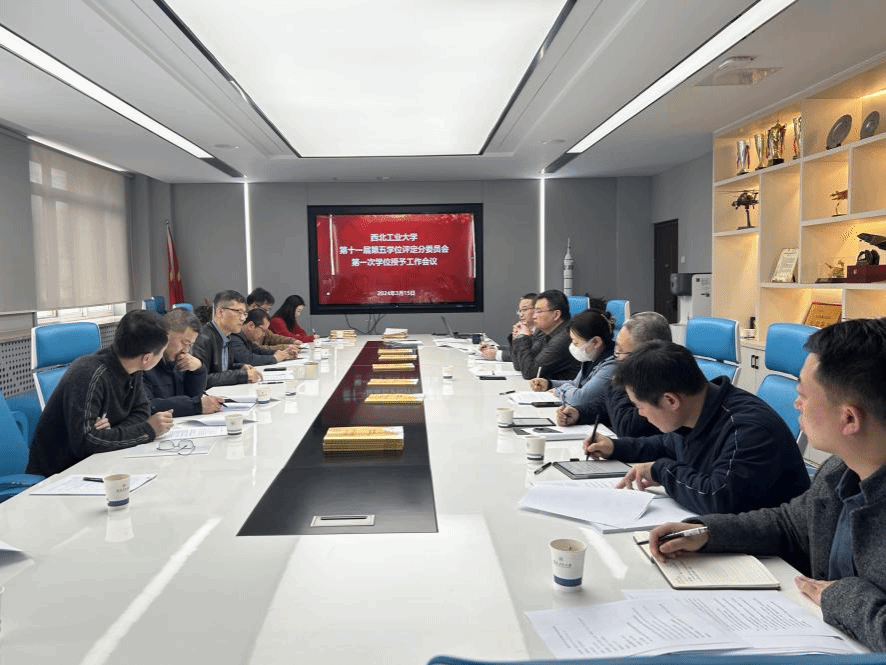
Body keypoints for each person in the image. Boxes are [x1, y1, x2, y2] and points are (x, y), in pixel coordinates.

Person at [648, 319, 886, 651]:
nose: (796, 404)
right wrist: (705, 532)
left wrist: (843, 597)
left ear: (849, 418)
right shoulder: (840, 471)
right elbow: (789, 524)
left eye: (803, 395)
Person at [584, 339, 810, 515]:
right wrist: (615, 447)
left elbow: (718, 497)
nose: (640, 413)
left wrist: (661, 470)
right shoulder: (699, 407)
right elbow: (666, 444)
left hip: (771, 556)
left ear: (670, 401)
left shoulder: (747, 429)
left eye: (639, 407)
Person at [26, 310, 174, 476]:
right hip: (60, 473)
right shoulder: (88, 373)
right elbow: (85, 443)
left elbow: (141, 411)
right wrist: (148, 430)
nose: (162, 356)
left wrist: (109, 435)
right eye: (162, 352)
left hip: (98, 463)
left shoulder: (134, 369)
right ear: (146, 358)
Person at [557, 311, 672, 436]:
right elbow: (606, 404)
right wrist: (579, 413)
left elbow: (627, 428)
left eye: (622, 352)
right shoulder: (638, 373)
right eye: (617, 350)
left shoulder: (662, 381)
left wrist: (616, 380)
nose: (617, 357)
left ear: (648, 353)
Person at [528, 310, 617, 416]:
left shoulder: (612, 365)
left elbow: (581, 398)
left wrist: (559, 391)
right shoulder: (591, 357)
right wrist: (549, 384)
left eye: (576, 343)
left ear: (595, 342)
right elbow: (576, 384)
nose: (573, 347)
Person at [143, 308, 224, 417]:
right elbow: (148, 406)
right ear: (166, 335)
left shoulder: (178, 360)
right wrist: (196, 406)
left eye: (190, 345)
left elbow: (193, 397)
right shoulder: (144, 362)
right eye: (184, 343)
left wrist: (197, 371)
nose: (186, 350)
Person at [191, 290, 262, 387]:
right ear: (220, 312)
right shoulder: (203, 338)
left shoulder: (226, 336)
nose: (242, 318)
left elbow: (222, 369)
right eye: (238, 312)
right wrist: (242, 375)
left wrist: (240, 367)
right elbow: (201, 379)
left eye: (244, 314)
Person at [510, 289, 579, 381]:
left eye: (538, 311)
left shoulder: (564, 338)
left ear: (556, 315)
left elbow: (530, 373)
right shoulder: (547, 333)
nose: (534, 316)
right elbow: (519, 365)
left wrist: (523, 338)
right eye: (534, 311)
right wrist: (517, 337)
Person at [479, 293, 537, 362]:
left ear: (536, 309)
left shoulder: (542, 332)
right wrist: (494, 348)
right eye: (520, 311)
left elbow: (530, 355)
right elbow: (516, 350)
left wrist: (496, 354)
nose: (521, 315)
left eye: (525, 310)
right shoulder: (528, 329)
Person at [231, 309, 296, 366]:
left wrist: (282, 353)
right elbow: (246, 359)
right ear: (251, 325)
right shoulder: (234, 336)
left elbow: (258, 351)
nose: (264, 335)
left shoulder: (245, 337)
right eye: (263, 330)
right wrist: (274, 358)